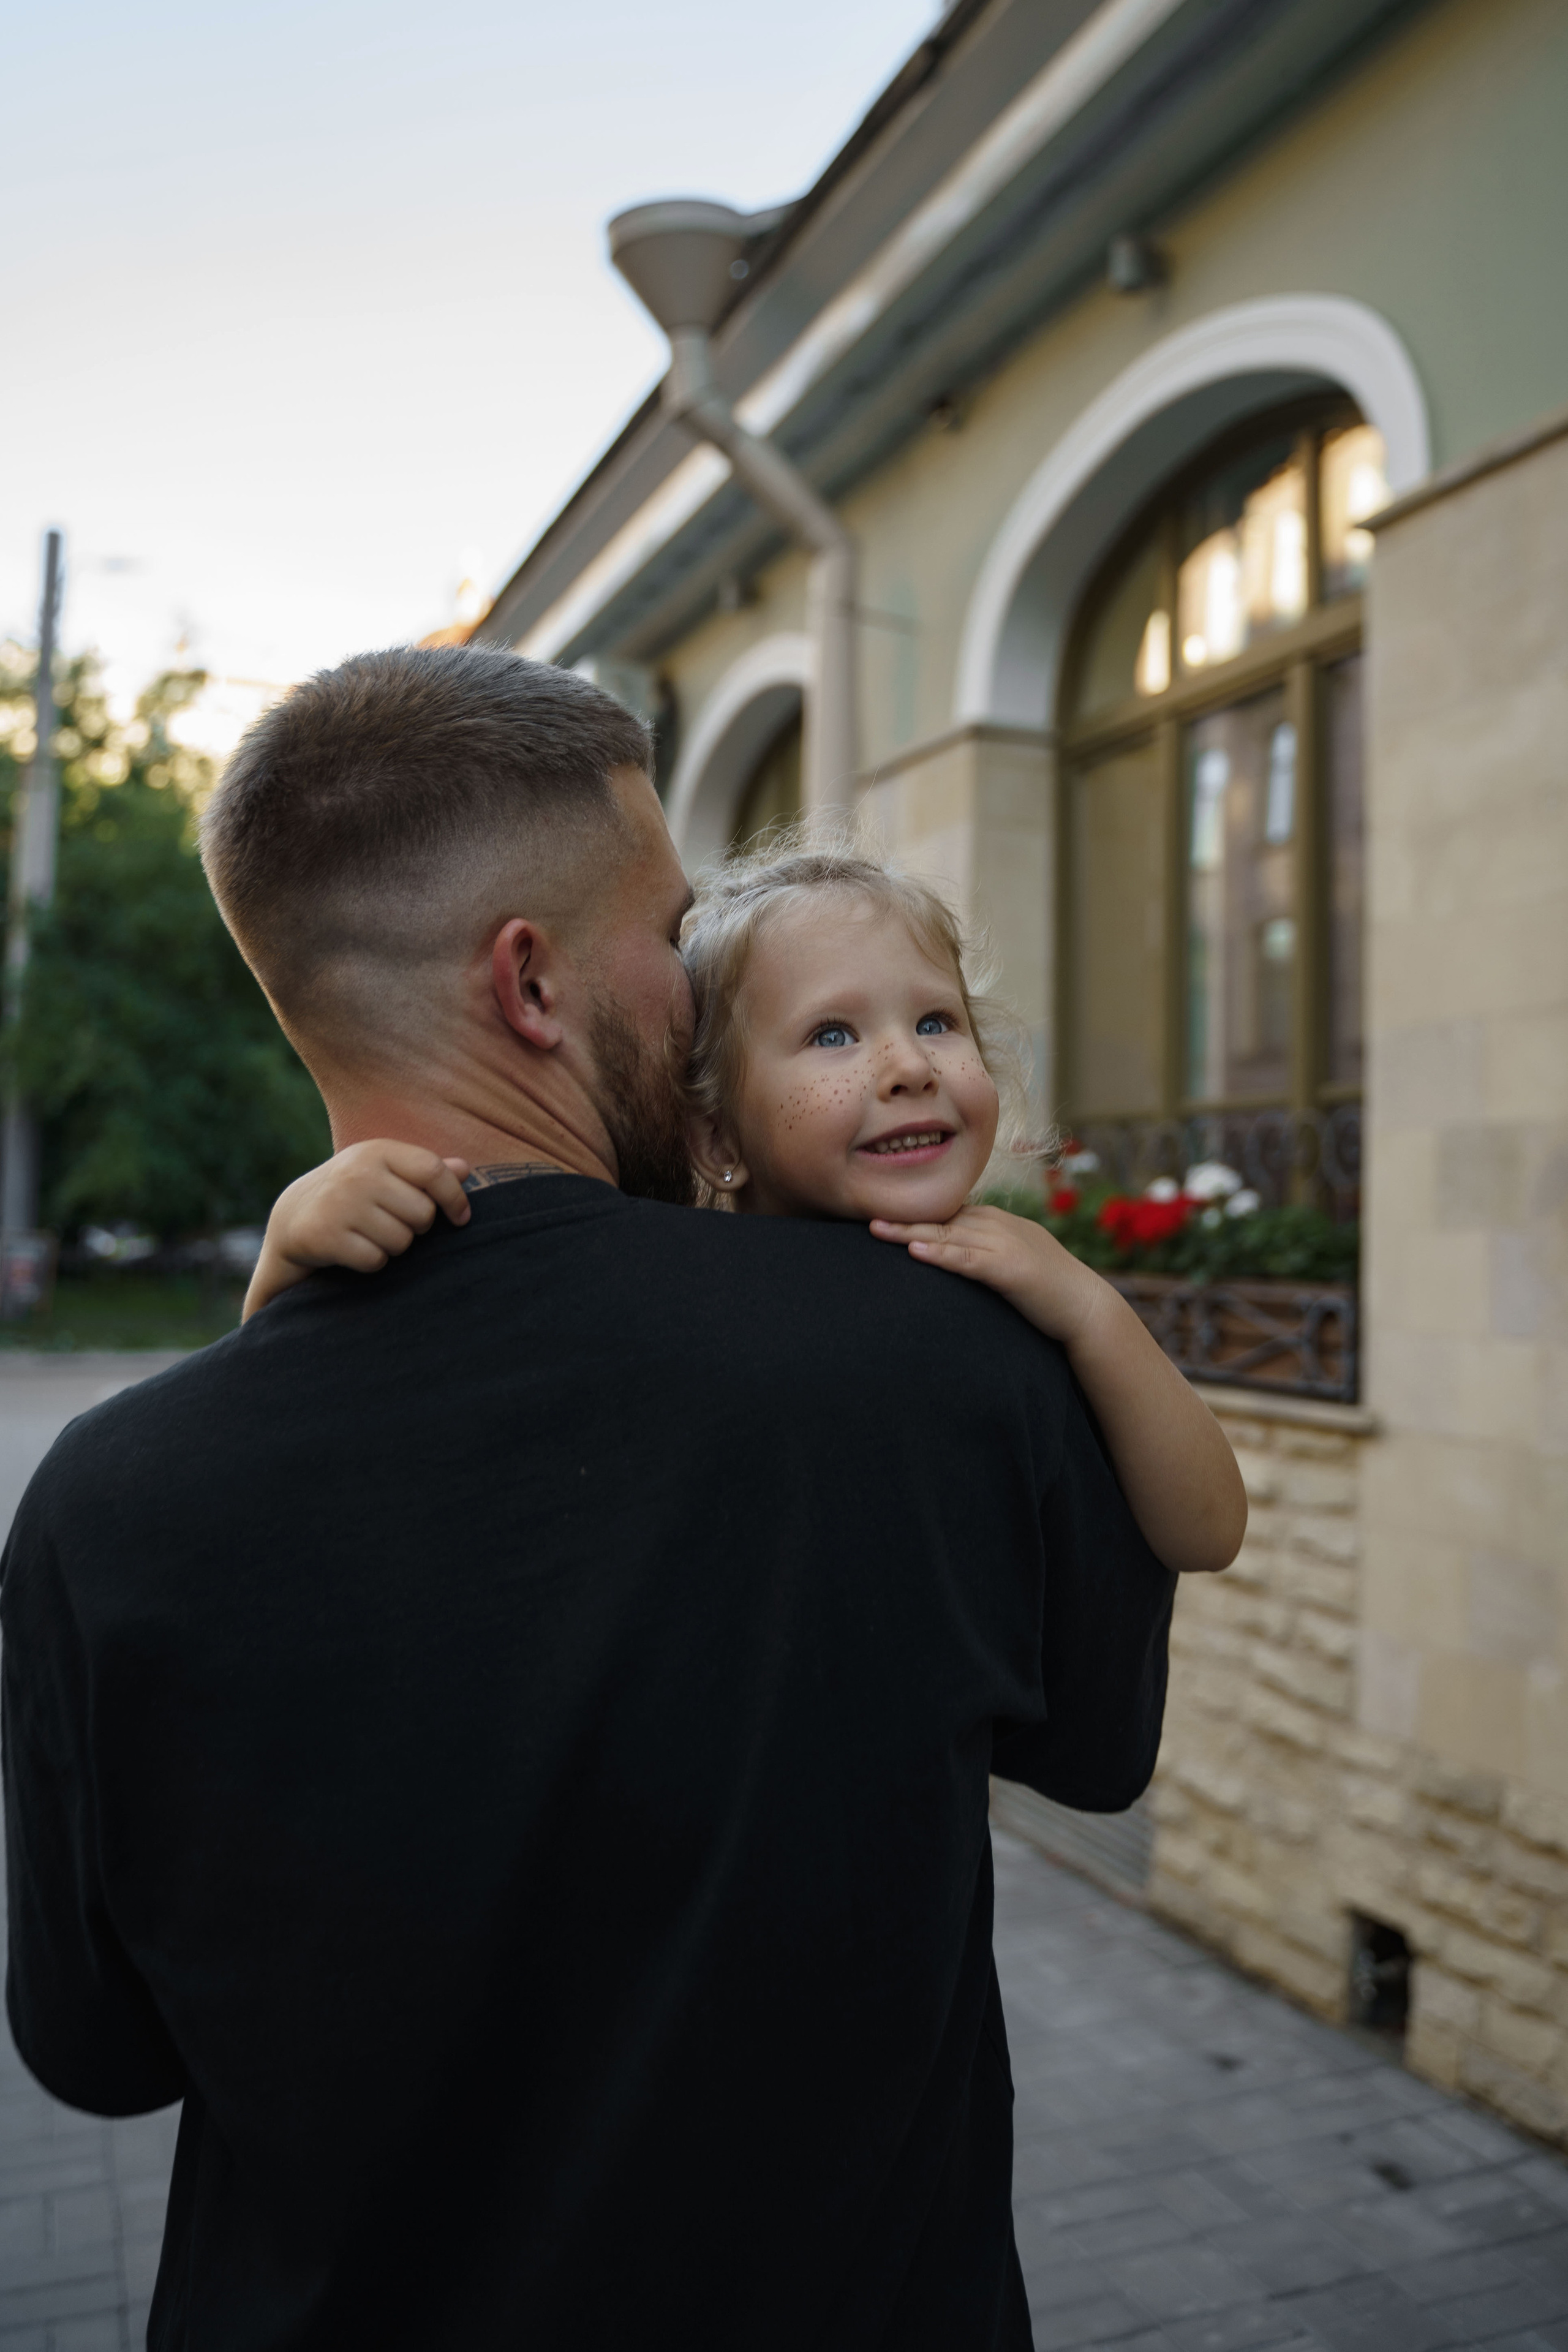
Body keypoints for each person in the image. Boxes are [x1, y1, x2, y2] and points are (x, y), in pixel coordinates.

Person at [4, 644, 1185, 2352]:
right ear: (533, 986)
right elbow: (1095, 1749)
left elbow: (97, 2056)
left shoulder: (103, 1506)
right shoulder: (943, 1363)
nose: (700, 995)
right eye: (672, 933)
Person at [248, 837, 1246, 1579]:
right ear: (718, 1140)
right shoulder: (644, 1288)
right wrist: (292, 1248)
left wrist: (1091, 1310)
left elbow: (1208, 1532)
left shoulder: (1012, 1295)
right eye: (831, 1037)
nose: (908, 1067)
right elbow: (353, 1440)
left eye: (936, 1020)